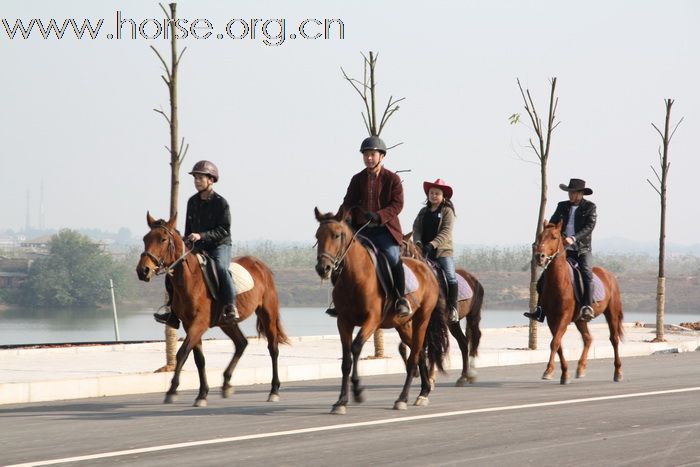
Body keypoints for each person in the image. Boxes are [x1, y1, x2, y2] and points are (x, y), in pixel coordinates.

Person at [329, 135, 412, 317]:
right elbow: (348, 203)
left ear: (382, 156)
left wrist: (379, 216)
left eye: (372, 154)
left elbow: (397, 205)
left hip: (385, 230)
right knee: (341, 260)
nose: (368, 158)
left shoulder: (392, 179)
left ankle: (400, 298)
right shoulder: (357, 179)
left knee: (392, 258)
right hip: (362, 230)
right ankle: (339, 301)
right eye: (365, 154)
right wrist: (342, 218)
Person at [154, 160, 239, 328]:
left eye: (200, 178)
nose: (197, 181)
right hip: (197, 246)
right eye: (195, 178)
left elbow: (224, 230)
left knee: (221, 268)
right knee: (172, 270)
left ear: (211, 180)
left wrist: (201, 235)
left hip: (219, 245)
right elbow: (188, 229)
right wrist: (186, 242)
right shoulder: (192, 201)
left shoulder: (221, 203)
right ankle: (172, 311)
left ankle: (231, 306)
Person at [524, 178, 597, 322]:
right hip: (563, 249)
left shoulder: (590, 207)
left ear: (581, 193)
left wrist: (574, 238)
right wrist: (547, 237)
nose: (570, 195)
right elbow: (552, 224)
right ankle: (540, 310)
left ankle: (587, 307)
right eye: (569, 192)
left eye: (574, 193)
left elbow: (589, 226)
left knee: (587, 273)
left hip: (582, 249)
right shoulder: (562, 206)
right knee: (543, 280)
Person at [412, 178, 459, 323]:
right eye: (431, 193)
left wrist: (432, 244)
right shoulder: (423, 211)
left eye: (437, 193)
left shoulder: (447, 211)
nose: (433, 196)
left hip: (442, 252)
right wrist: (418, 242)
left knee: (451, 277)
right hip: (423, 250)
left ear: (443, 196)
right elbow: (416, 228)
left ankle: (453, 308)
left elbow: (446, 231)